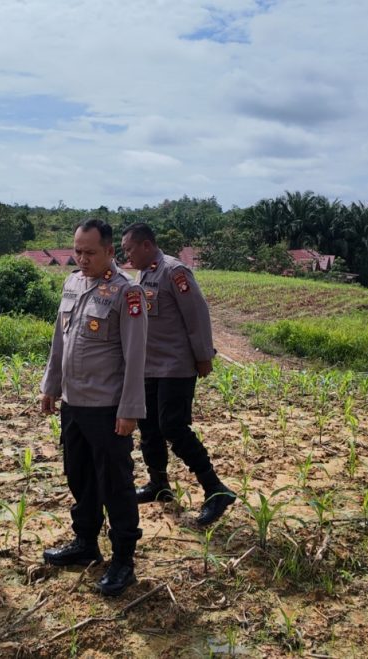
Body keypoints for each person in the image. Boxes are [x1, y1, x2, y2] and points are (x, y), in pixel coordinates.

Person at [39, 218, 148, 597]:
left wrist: (130, 409)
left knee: (115, 484)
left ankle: (123, 561)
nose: (81, 259)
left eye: (90, 253)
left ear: (109, 252)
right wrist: (51, 386)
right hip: (74, 404)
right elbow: (60, 340)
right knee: (79, 476)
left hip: (108, 409)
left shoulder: (126, 293)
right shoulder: (72, 283)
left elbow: (136, 358)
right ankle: (85, 543)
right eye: (77, 251)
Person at [120, 222, 234, 526]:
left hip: (175, 366)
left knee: (172, 425)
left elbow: (196, 314)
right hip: (149, 366)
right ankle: (159, 484)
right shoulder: (143, 274)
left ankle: (215, 490)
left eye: (129, 248)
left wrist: (202, 355)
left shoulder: (174, 271)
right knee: (149, 429)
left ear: (146, 245)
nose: (126, 254)